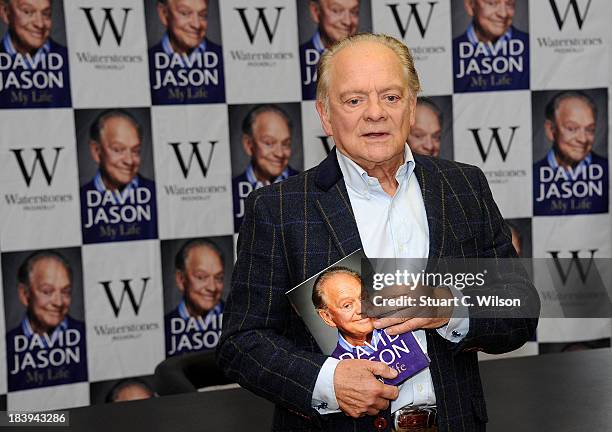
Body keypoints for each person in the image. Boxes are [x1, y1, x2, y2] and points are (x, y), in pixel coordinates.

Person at [218, 33, 538, 431]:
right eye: (354, 100)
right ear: (325, 115)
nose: (375, 113)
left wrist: (448, 306)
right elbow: (242, 342)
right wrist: (328, 382)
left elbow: (520, 310)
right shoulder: (279, 209)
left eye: (391, 96)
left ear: (412, 105)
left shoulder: (463, 186)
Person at [6, 250, 87, 391]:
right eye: (47, 291)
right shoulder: (6, 347)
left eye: (65, 292)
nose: (59, 302)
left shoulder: (89, 338)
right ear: (24, 295)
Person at [80, 109, 158, 243]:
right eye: (118, 149)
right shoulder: (78, 203)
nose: (129, 161)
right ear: (96, 151)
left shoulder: (158, 196)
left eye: (136, 151)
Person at [533, 91, 609, 215]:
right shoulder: (532, 178)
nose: (583, 139)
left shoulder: (608, 172)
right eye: (572, 128)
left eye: (590, 130)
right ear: (551, 130)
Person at [232, 104, 299, 231]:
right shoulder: (231, 192)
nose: (279, 153)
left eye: (286, 144)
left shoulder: (306, 187)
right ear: (248, 144)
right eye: (269, 143)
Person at [148, 0, 224, 104]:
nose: (196, 25)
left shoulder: (225, 60)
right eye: (185, 13)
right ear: (163, 13)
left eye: (203, 15)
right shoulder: (145, 65)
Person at [0, 0, 71, 107]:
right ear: (5, 12)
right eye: (28, 12)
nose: (40, 24)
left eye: (46, 14)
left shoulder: (70, 62)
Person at [165, 239, 225, 357]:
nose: (212, 288)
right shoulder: (164, 330)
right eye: (201, 277)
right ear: (181, 279)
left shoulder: (238, 321)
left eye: (219, 278)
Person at [452, 0, 529, 92]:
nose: (503, 14)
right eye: (492, 3)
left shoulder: (531, 48)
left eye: (509, 4)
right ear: (470, 5)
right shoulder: (450, 54)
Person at [300, 0, 360, 100]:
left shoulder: (367, 59)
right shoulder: (297, 60)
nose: (347, 21)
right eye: (336, 10)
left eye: (354, 12)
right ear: (315, 11)